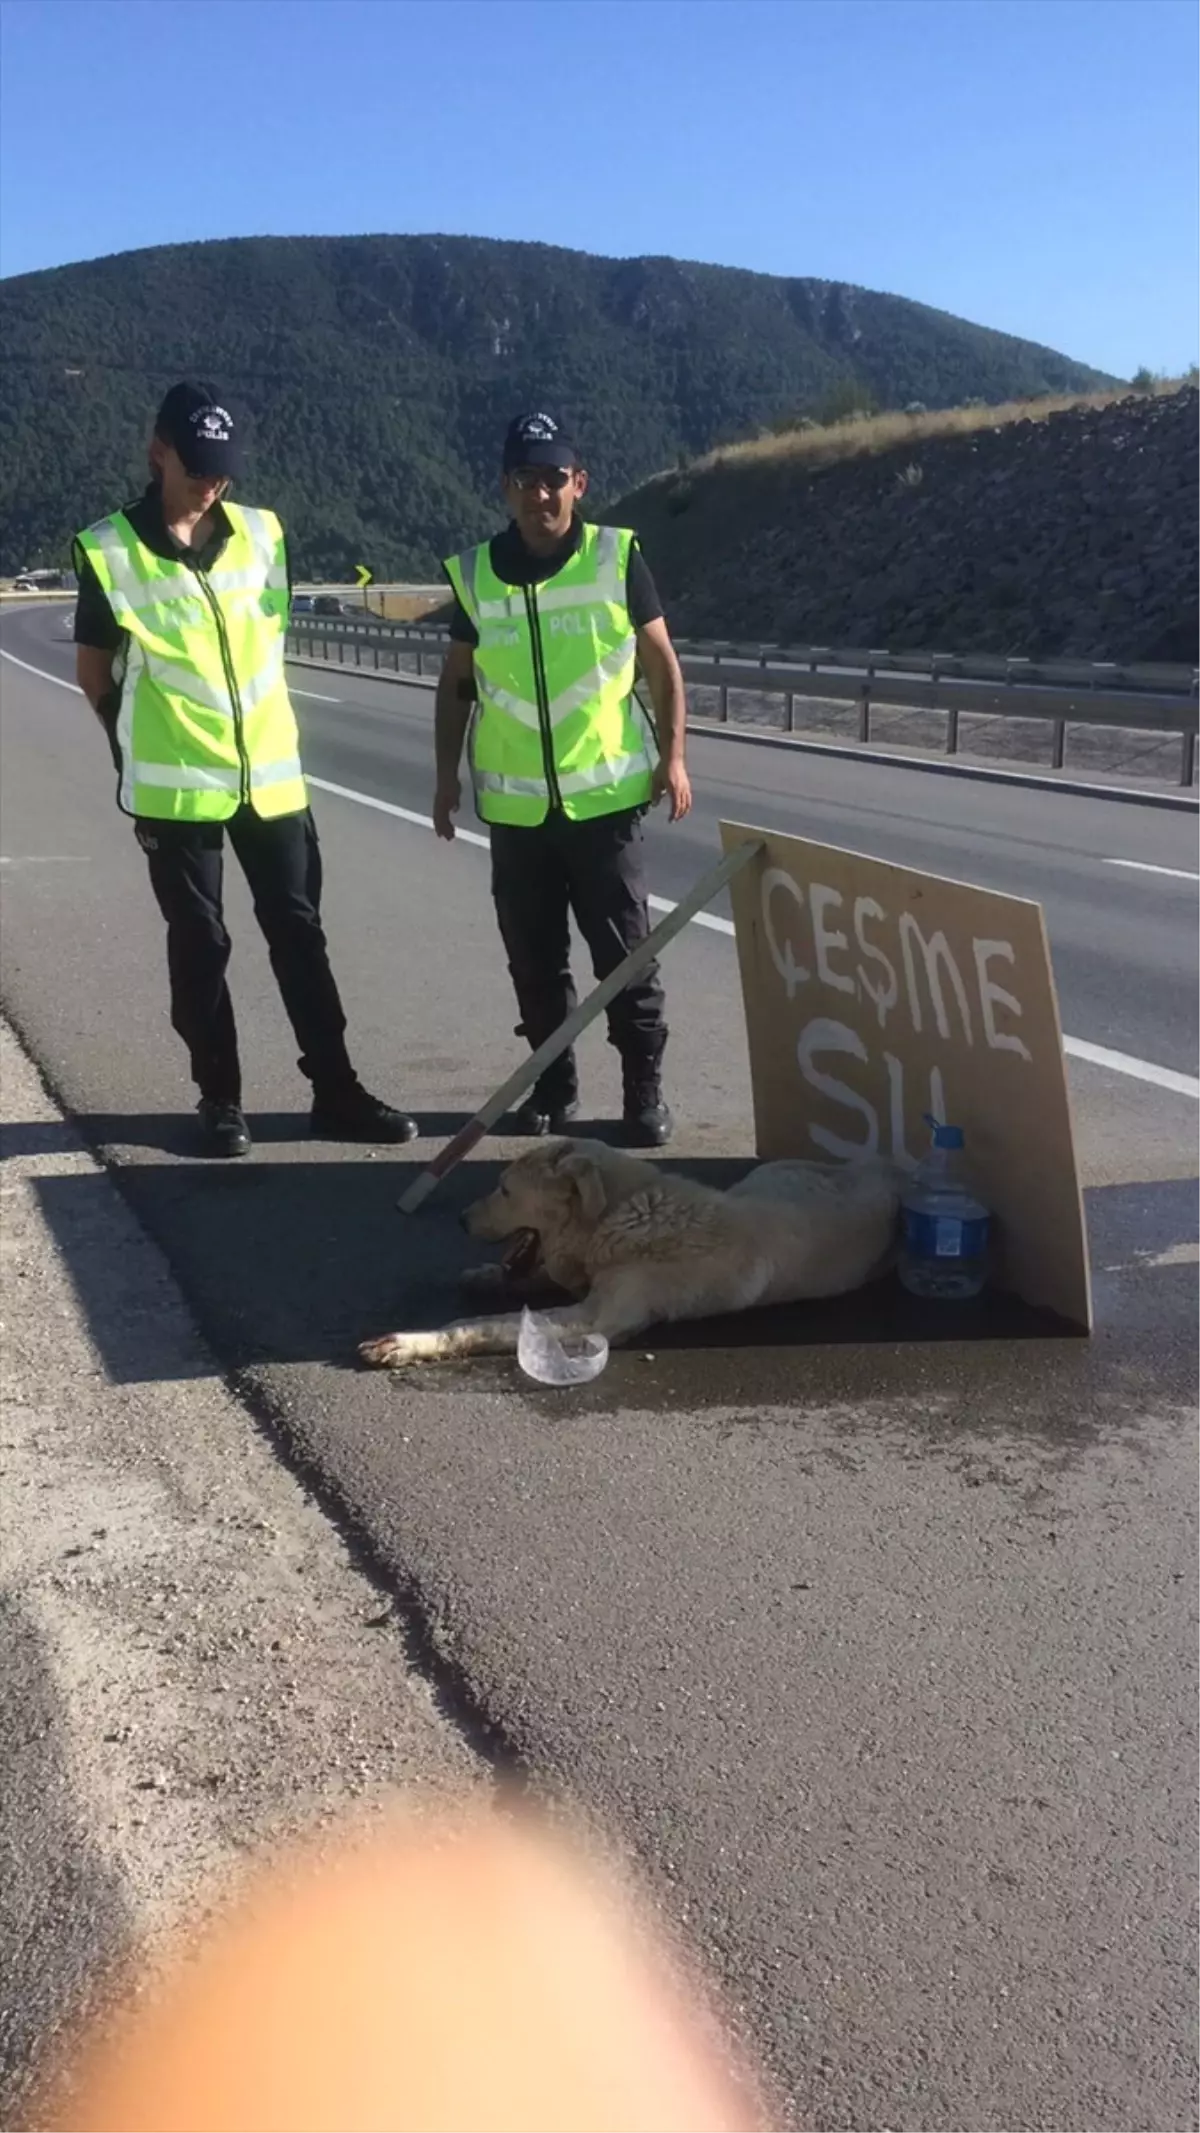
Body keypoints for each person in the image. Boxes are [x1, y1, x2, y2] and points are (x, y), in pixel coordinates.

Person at [72, 382, 417, 1159]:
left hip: (272, 778)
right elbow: (96, 673)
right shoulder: (108, 550)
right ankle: (220, 1100)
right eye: (197, 465)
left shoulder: (263, 534)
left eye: (223, 468)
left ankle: (337, 1091)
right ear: (157, 450)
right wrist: (129, 746)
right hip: (174, 786)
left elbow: (268, 638)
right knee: (201, 943)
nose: (211, 481)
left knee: (300, 935)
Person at [433, 410, 692, 1147]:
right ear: (504, 488)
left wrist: (672, 756)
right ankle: (554, 1087)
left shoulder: (616, 558)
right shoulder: (477, 574)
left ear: (578, 483)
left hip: (604, 807)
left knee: (627, 959)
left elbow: (661, 664)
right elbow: (457, 685)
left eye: (553, 479)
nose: (539, 495)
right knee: (535, 965)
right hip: (516, 816)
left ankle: (643, 1093)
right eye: (524, 480)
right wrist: (444, 778)